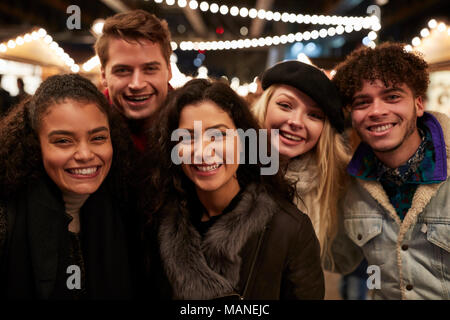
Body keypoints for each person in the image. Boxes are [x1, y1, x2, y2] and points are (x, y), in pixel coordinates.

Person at [141, 78, 324, 300]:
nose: (203, 151)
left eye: (218, 135)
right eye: (187, 138)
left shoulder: (289, 229)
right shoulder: (157, 223)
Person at [0, 74, 137, 299]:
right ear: (35, 145)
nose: (85, 154)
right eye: (63, 141)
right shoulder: (7, 219)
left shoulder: (126, 210)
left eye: (98, 138)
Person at [331, 42, 450, 299]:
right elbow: (338, 260)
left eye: (392, 96)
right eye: (363, 102)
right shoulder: (351, 184)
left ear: (419, 105)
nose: (377, 111)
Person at [252, 60, 350, 268]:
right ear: (265, 106)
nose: (296, 122)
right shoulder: (226, 168)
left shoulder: (332, 186)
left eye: (314, 115)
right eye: (285, 105)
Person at [95, 9, 173, 151]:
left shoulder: (197, 123)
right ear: (104, 76)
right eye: (123, 70)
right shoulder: (83, 125)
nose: (136, 84)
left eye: (150, 69)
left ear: (169, 71)